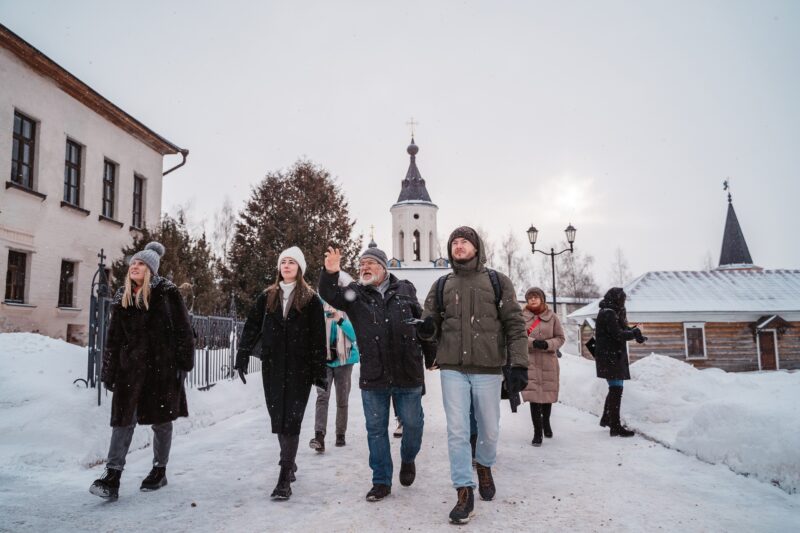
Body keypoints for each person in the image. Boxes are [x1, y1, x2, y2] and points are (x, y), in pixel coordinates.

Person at [418, 226, 528, 525]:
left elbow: (515, 325)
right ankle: (464, 491)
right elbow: (430, 322)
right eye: (454, 241)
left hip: (488, 368)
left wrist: (519, 364)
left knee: (489, 428)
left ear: (477, 247)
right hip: (452, 368)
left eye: (464, 241)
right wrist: (427, 329)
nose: (459, 245)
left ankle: (484, 465)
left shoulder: (496, 281)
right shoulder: (441, 285)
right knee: (457, 430)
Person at [319, 246, 434, 502]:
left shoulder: (406, 289)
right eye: (361, 265)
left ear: (383, 267)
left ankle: (408, 458)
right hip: (374, 375)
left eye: (370, 263)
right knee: (376, 430)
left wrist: (431, 355)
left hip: (407, 371)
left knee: (413, 425)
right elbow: (328, 293)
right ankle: (381, 481)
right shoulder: (356, 295)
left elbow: (421, 324)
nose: (364, 268)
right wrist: (330, 271)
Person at [90, 242, 195, 501]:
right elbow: (113, 339)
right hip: (130, 371)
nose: (134, 266)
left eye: (140, 263)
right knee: (123, 421)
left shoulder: (167, 294)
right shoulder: (122, 297)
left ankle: (159, 470)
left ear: (150, 269)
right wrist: (111, 371)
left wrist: (182, 365)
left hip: (161, 370)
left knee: (161, 422)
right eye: (133, 263)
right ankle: (112, 476)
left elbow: (184, 330)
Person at [234, 246, 327, 500]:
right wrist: (241, 357)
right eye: (283, 262)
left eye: (291, 263)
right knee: (279, 417)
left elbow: (319, 338)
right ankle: (289, 460)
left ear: (300, 269)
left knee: (292, 419)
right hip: (273, 367)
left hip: (300, 369)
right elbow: (252, 328)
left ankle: (284, 476)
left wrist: (320, 373)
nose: (286, 266)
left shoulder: (311, 300)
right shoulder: (267, 297)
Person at [309, 294, 360, 452]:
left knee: (342, 398)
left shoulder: (349, 307)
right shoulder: (317, 306)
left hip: (344, 361)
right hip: (323, 361)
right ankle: (319, 436)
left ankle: (340, 434)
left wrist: (339, 319)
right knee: (322, 397)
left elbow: (355, 334)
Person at [593, 287, 646, 437]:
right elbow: (617, 334)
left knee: (615, 389)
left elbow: (623, 329)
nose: (623, 301)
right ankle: (615, 426)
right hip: (610, 356)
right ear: (615, 299)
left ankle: (607, 418)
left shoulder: (614, 311)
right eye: (621, 298)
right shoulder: (608, 313)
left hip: (613, 356)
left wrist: (636, 333)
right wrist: (633, 333)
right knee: (616, 389)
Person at [520, 287, 566, 447]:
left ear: (542, 299)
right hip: (530, 361)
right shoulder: (521, 317)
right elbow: (517, 336)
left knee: (547, 396)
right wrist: (533, 342)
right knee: (534, 397)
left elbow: (560, 338)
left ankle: (546, 422)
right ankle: (537, 432)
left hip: (548, 361)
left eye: (536, 297)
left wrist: (547, 344)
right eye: (530, 297)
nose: (533, 299)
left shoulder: (552, 317)